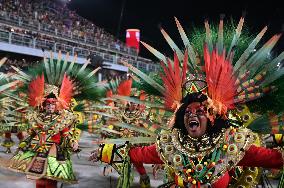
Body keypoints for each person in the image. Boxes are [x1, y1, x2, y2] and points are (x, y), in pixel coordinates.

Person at [89, 17, 284, 187]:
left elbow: (271, 159)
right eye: (187, 111)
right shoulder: (172, 144)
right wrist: (104, 152)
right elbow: (138, 155)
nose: (192, 114)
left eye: (199, 111)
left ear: (212, 116)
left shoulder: (231, 144)